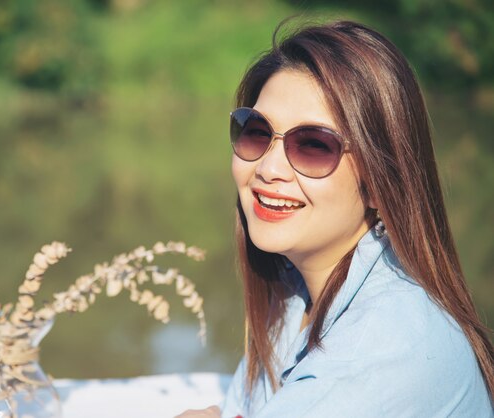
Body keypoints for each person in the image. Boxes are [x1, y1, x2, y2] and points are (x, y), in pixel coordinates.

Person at [177, 19, 494, 417]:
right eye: (256, 132)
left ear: (382, 183)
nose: (269, 168)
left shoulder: (387, 345)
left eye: (313, 145)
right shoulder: (294, 294)